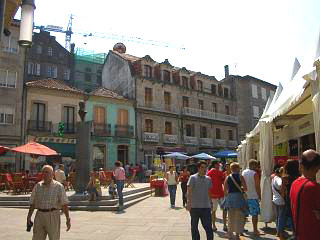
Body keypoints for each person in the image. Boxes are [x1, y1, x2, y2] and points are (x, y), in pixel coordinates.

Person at [27, 165, 71, 240]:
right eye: (43, 172)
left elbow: (64, 203)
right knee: (36, 237)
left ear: (52, 174)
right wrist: (29, 216)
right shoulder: (38, 186)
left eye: (47, 172)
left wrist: (67, 218)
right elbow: (32, 203)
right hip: (39, 215)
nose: (44, 174)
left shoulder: (58, 186)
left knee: (54, 238)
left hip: (53, 214)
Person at [290, 149, 320, 240]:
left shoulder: (295, 183)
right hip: (313, 235)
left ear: (301, 165)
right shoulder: (314, 188)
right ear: (318, 167)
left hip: (299, 234)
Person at [187, 160, 213, 240]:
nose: (204, 169)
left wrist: (211, 202)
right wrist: (189, 203)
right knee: (194, 227)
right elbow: (189, 191)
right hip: (195, 207)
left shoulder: (208, 179)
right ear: (198, 168)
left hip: (206, 207)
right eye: (202, 167)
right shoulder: (193, 178)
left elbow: (209, 192)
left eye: (205, 168)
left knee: (208, 227)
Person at [224, 162, 247, 240]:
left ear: (231, 169)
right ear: (237, 168)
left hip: (230, 198)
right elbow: (245, 188)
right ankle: (237, 235)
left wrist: (228, 196)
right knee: (239, 217)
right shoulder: (241, 176)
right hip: (239, 198)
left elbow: (225, 189)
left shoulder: (228, 177)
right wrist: (241, 189)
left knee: (230, 216)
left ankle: (230, 234)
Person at [242, 159, 262, 236]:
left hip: (245, 196)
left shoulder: (244, 172)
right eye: (256, 165)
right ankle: (255, 230)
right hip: (253, 196)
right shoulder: (254, 174)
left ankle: (241, 229)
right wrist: (260, 196)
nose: (257, 167)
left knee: (244, 214)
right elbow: (257, 186)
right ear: (253, 165)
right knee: (254, 214)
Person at [207, 159, 227, 232]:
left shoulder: (209, 173)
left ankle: (214, 226)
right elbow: (223, 182)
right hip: (220, 193)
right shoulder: (220, 172)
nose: (219, 166)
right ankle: (225, 225)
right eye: (218, 164)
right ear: (215, 165)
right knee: (224, 210)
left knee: (213, 211)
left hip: (213, 194)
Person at [283, 160, 300, 233]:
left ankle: (294, 232)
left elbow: (283, 190)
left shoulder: (285, 177)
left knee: (291, 216)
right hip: (297, 198)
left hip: (289, 198)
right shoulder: (298, 178)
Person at [272, 166, 286, 239]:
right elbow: (281, 186)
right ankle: (280, 233)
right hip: (280, 200)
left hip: (275, 199)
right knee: (281, 217)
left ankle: (278, 231)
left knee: (278, 217)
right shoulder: (279, 179)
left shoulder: (274, 178)